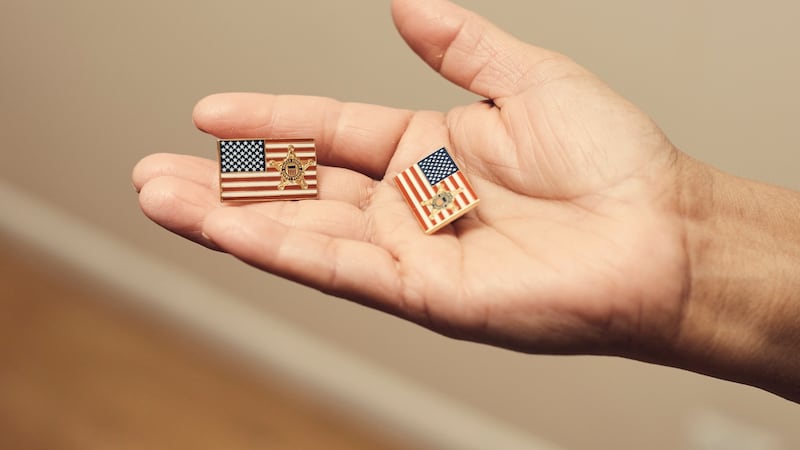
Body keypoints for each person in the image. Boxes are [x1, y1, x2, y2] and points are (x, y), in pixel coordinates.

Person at [132, 0, 800, 403]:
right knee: (258, 172)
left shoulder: (442, 178)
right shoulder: (413, 171)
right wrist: (691, 231)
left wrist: (687, 227)